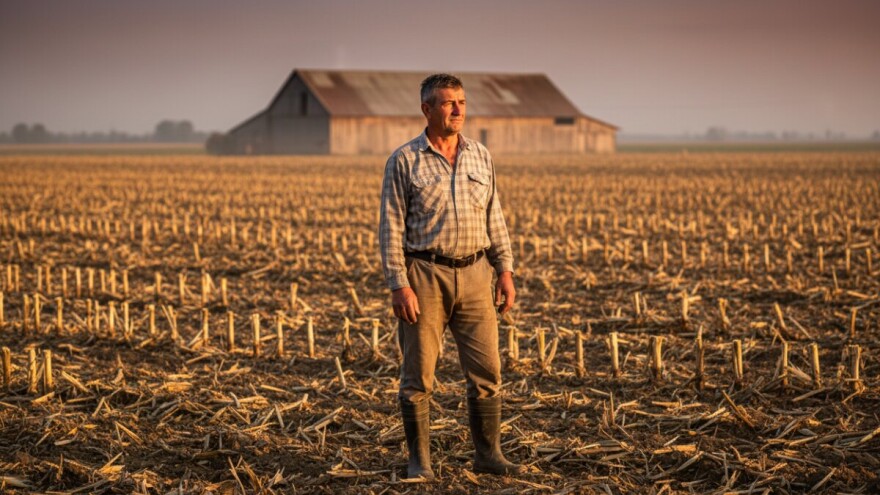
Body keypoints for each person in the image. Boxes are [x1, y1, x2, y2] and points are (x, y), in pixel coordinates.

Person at [379, 73, 526, 480]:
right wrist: (399, 283)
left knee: (487, 372)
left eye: (461, 101)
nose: (458, 109)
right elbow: (390, 228)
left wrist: (505, 270)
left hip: (477, 274)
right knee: (418, 375)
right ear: (426, 109)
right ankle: (419, 462)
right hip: (424, 275)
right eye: (447, 103)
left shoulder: (480, 155)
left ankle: (488, 455)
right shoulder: (404, 160)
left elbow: (495, 216)